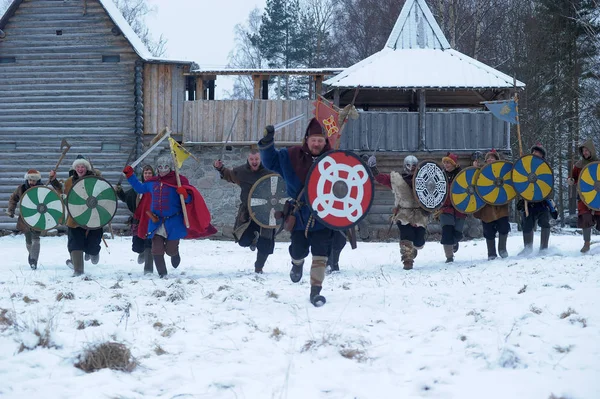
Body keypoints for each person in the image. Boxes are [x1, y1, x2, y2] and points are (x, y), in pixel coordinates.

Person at [258, 118, 333, 307]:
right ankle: (297, 264)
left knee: (321, 253)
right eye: (313, 140)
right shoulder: (290, 156)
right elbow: (270, 161)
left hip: (325, 217)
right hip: (299, 215)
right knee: (298, 250)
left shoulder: (335, 160)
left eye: (320, 140)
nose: (316, 144)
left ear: (325, 142)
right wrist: (267, 143)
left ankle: (315, 291)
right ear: (306, 139)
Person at [123, 155, 216, 278]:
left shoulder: (178, 182)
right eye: (160, 167)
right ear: (157, 168)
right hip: (156, 221)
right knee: (156, 249)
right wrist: (130, 175)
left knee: (170, 250)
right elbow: (139, 188)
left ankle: (175, 253)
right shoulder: (152, 183)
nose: (163, 169)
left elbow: (188, 200)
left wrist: (185, 194)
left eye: (166, 167)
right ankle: (163, 275)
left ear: (171, 167)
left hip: (174, 222)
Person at [213, 150, 275, 273]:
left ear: (260, 159)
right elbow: (229, 175)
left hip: (267, 211)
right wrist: (220, 168)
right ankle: (254, 239)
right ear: (248, 159)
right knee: (242, 240)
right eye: (252, 159)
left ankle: (259, 267)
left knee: (266, 242)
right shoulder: (242, 172)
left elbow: (283, 184)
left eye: (256, 159)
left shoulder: (271, 171)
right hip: (248, 211)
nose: (254, 162)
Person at [368, 154, 428, 270]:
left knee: (419, 241)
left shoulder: (425, 179)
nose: (411, 168)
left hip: (419, 214)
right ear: (404, 165)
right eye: (409, 165)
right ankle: (407, 260)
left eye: (414, 166)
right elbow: (380, 178)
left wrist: (428, 210)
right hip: (403, 213)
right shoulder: (397, 179)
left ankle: (413, 249)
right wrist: (373, 167)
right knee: (406, 235)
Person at [50, 155, 104, 276]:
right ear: (75, 168)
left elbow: (103, 192)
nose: (80, 169)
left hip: (93, 216)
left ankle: (94, 253)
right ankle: (78, 271)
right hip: (75, 217)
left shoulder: (94, 179)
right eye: (78, 167)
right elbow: (62, 190)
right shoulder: (70, 181)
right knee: (75, 243)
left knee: (93, 243)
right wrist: (53, 180)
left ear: (86, 168)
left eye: (83, 167)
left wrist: (98, 178)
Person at [517, 144, 556, 255]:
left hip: (542, 201)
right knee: (527, 224)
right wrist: (522, 197)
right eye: (533, 152)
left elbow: (549, 185)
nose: (535, 154)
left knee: (544, 222)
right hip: (528, 202)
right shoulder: (525, 166)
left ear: (542, 155)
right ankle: (527, 249)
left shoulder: (546, 168)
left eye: (537, 152)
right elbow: (519, 181)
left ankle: (544, 248)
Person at [116, 165, 155, 274]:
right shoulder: (137, 188)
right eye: (146, 173)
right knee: (137, 246)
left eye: (149, 173)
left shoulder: (155, 187)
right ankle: (141, 252)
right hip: (138, 220)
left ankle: (148, 269)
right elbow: (125, 198)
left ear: (153, 174)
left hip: (150, 219)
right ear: (143, 175)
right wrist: (119, 191)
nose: (147, 175)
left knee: (149, 243)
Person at [473, 150, 510, 260]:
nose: (490, 159)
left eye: (492, 158)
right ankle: (492, 253)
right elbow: (474, 181)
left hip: (500, 205)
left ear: (496, 160)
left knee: (503, 227)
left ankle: (502, 249)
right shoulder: (481, 172)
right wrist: (475, 169)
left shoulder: (502, 171)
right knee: (488, 231)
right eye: (488, 158)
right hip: (486, 207)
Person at [7, 169, 44, 269]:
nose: (32, 182)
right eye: (30, 180)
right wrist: (11, 210)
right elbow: (13, 198)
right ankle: (32, 255)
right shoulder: (21, 188)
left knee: (36, 238)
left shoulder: (42, 189)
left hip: (38, 217)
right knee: (28, 239)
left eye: (34, 180)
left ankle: (34, 261)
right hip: (25, 217)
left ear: (38, 181)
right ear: (27, 180)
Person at [569, 139, 599, 253]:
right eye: (583, 151)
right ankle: (586, 243)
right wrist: (571, 180)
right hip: (584, 197)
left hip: (598, 197)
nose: (585, 152)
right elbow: (573, 178)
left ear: (591, 150)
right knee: (586, 218)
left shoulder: (598, 163)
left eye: (587, 150)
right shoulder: (578, 165)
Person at [439, 153, 466, 262]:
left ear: (454, 164)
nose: (446, 165)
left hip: (460, 208)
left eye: (448, 162)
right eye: (445, 162)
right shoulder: (440, 175)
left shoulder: (461, 174)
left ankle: (454, 241)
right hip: (445, 208)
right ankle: (449, 256)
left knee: (457, 234)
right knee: (447, 232)